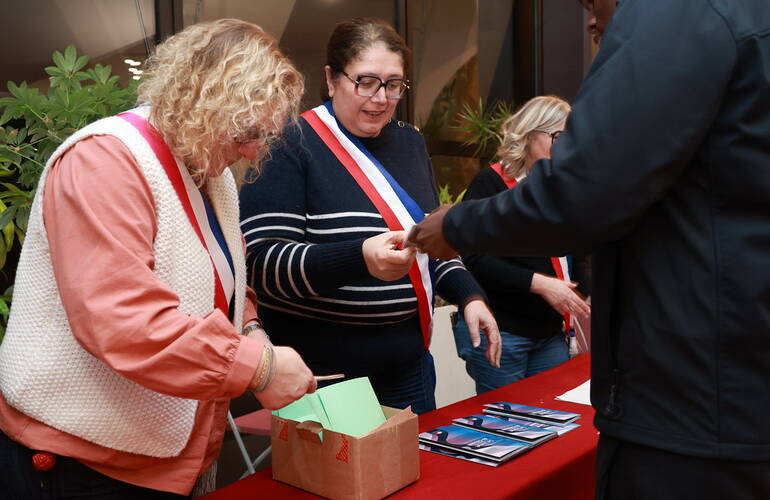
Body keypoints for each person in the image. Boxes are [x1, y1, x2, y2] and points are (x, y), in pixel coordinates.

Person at [408, 0, 770, 498]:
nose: (589, 18)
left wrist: (457, 226)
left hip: (692, 406)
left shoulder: (676, 15)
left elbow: (585, 195)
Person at [0, 19, 317, 498]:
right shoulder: (104, 161)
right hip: (81, 464)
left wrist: (250, 330)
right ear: (202, 104)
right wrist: (260, 368)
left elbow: (227, 283)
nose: (252, 152)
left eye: (263, 136)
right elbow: (122, 320)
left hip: (161, 456)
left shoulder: (210, 174)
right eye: (246, 132)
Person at [239, 17, 500, 415]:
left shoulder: (410, 143)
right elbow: (261, 265)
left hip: (409, 366)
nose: (380, 98)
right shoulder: (290, 141)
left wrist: (469, 295)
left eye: (393, 84)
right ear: (331, 79)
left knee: (422, 475)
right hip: (326, 375)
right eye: (366, 81)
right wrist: (360, 257)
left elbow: (429, 241)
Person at [453, 95, 590, 395]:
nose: (566, 146)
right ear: (529, 134)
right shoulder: (490, 184)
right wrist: (541, 284)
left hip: (551, 332)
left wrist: (586, 293)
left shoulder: (562, 186)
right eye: (558, 137)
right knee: (507, 427)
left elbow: (578, 251)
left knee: (555, 421)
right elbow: (475, 260)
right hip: (502, 330)